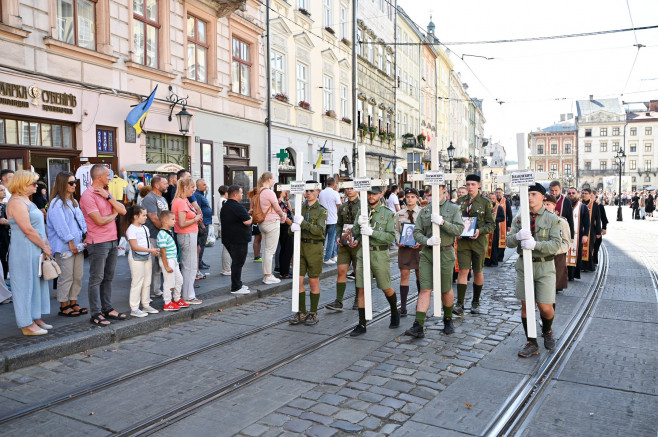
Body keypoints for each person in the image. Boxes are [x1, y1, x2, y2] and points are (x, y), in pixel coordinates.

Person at [506, 183, 562, 357]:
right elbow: (508, 242)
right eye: (527, 194)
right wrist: (517, 236)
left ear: (542, 196)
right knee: (526, 305)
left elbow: (556, 245)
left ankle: (547, 330)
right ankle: (531, 342)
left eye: (534, 194)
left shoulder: (552, 218)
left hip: (544, 266)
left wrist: (536, 244)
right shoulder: (520, 217)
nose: (530, 197)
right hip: (524, 265)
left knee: (545, 307)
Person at [405, 183, 464, 337]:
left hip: (445, 252)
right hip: (427, 253)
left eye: (438, 187)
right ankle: (418, 325)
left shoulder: (453, 208)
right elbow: (417, 232)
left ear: (444, 188)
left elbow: (459, 229)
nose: (434, 190)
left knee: (445, 288)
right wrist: (427, 240)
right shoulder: (425, 210)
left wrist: (443, 222)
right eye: (432, 187)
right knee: (425, 288)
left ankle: (448, 319)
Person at [80, 164, 127, 326]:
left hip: (112, 240)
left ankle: (107, 308)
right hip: (98, 242)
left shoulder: (106, 192)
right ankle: (96, 313)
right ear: (99, 176)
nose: (110, 177)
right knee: (96, 278)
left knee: (108, 277)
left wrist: (109, 198)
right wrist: (114, 213)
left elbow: (124, 211)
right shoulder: (87, 195)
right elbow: (99, 221)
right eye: (108, 175)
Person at [6, 170, 52, 335]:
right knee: (25, 285)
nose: (36, 186)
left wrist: (46, 243)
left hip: (34, 248)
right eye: (33, 183)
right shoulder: (16, 202)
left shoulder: (27, 200)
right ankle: (26, 323)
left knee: (36, 284)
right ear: (22, 184)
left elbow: (38, 227)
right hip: (24, 250)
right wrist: (44, 246)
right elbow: (27, 229)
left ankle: (34, 317)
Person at [349, 186, 399, 337]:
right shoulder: (362, 211)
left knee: (385, 286)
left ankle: (394, 311)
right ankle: (361, 323)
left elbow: (391, 237)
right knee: (362, 288)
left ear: (380, 194)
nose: (371, 196)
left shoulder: (388, 213)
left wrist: (373, 232)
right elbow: (356, 233)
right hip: (363, 253)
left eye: (374, 194)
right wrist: (357, 226)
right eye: (369, 193)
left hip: (379, 253)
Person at [47, 172, 87, 317]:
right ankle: (63, 305)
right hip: (65, 246)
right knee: (66, 276)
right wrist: (70, 241)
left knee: (78, 275)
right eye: (71, 183)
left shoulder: (73, 201)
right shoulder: (56, 203)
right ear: (63, 184)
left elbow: (81, 220)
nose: (74, 185)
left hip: (78, 245)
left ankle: (73, 302)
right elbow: (60, 225)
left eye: (75, 182)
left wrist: (85, 234)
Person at [455, 174, 495, 315]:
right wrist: (457, 230)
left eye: (473, 184)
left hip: (478, 241)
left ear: (479, 185)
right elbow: (456, 220)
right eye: (468, 184)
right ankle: (460, 303)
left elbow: (491, 224)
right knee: (463, 270)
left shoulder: (485, 202)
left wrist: (480, 230)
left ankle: (475, 302)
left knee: (478, 271)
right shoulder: (460, 201)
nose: (470, 187)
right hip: (463, 242)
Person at [289, 181, 327, 325]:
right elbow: (293, 230)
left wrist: (303, 223)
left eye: (311, 191)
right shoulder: (301, 208)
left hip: (314, 248)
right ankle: (302, 311)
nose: (308, 193)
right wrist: (291, 228)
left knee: (313, 282)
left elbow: (320, 230)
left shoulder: (322, 210)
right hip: (300, 247)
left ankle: (313, 312)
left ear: (317, 192)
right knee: (298, 281)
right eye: (307, 191)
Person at [326, 180, 360, 312]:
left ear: (357, 190)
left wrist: (357, 239)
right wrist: (339, 236)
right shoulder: (344, 206)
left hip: (358, 245)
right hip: (345, 244)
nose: (349, 190)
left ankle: (358, 299)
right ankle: (338, 301)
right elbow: (339, 224)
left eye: (352, 188)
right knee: (341, 271)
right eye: (347, 188)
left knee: (358, 273)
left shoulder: (363, 205)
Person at [121, 205, 160, 317]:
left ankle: (146, 304)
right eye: (143, 215)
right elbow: (134, 247)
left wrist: (152, 249)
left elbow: (148, 242)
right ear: (135, 216)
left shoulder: (144, 228)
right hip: (136, 259)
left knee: (147, 282)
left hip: (147, 257)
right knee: (137, 282)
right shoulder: (131, 229)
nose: (146, 217)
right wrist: (150, 250)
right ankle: (134, 308)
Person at [172, 178, 203, 305]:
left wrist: (196, 218)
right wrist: (195, 219)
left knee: (190, 265)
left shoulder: (184, 200)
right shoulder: (180, 202)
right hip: (186, 235)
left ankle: (188, 294)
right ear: (185, 187)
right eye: (192, 187)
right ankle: (188, 295)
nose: (194, 189)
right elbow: (182, 223)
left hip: (190, 234)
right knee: (189, 266)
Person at [255, 172, 287, 285]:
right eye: (273, 179)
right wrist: (283, 216)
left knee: (265, 250)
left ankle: (266, 274)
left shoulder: (259, 191)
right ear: (268, 179)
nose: (274, 181)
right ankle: (268, 276)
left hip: (262, 223)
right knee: (270, 251)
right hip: (272, 222)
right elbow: (277, 208)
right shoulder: (269, 192)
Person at [394, 188, 422, 317]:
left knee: (420, 275)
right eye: (408, 196)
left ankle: (421, 303)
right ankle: (403, 306)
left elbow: (426, 230)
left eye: (412, 196)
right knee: (404, 274)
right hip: (404, 248)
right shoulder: (399, 214)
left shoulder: (423, 213)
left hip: (419, 248)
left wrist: (421, 242)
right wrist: (398, 239)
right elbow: (396, 229)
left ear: (417, 198)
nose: (410, 199)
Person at [220, 185, 252, 294]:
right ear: (235, 194)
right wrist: (251, 217)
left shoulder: (226, 205)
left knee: (236, 262)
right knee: (238, 262)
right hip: (238, 239)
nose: (242, 195)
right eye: (241, 193)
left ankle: (238, 283)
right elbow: (247, 221)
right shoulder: (237, 206)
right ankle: (236, 287)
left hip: (229, 239)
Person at [142, 175, 169, 298]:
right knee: (152, 265)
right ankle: (149, 292)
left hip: (162, 235)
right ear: (157, 185)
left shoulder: (162, 198)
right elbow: (153, 217)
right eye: (165, 183)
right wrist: (165, 230)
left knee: (159, 265)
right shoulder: (149, 198)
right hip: (153, 235)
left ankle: (156, 290)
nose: (167, 185)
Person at [156, 210, 189, 311]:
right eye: (173, 219)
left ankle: (177, 298)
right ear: (165, 221)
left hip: (173, 260)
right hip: (168, 261)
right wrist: (166, 266)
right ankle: (167, 302)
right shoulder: (161, 234)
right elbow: (163, 252)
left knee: (179, 280)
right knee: (169, 282)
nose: (175, 221)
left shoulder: (168, 232)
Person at [543, 194, 570, 293]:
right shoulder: (535, 221)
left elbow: (566, 243)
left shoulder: (562, 222)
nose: (545, 207)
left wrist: (553, 249)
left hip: (556, 257)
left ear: (554, 206)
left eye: (548, 204)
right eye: (543, 204)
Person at [565, 187, 590, 281]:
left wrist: (585, 235)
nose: (571, 195)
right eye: (569, 193)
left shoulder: (582, 207)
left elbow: (587, 222)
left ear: (577, 194)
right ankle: (564, 274)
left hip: (578, 235)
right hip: (565, 235)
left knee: (576, 254)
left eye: (573, 193)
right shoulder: (565, 205)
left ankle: (572, 275)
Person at [318, 177, 341, 264]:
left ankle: (320, 256)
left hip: (323, 218)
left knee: (322, 239)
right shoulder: (335, 193)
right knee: (331, 240)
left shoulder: (321, 193)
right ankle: (327, 258)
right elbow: (339, 205)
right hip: (332, 218)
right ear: (334, 184)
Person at [194, 179, 213, 276]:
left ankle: (200, 261)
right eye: (204, 184)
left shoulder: (201, 194)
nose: (206, 186)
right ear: (198, 186)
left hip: (206, 221)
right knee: (201, 243)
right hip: (203, 222)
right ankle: (199, 262)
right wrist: (201, 224)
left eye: (206, 184)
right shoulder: (197, 195)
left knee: (202, 244)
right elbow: (198, 210)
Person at [580, 188, 601, 273]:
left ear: (590, 194)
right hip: (580, 229)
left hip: (591, 230)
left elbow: (598, 218)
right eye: (583, 193)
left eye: (586, 193)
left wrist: (599, 232)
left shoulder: (595, 205)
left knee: (589, 248)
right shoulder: (579, 203)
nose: (584, 195)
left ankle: (588, 266)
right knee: (580, 248)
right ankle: (581, 265)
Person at [276, 189, 294, 279]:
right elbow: (285, 216)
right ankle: (284, 272)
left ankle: (283, 271)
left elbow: (289, 211)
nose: (286, 191)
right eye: (283, 189)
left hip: (286, 226)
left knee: (285, 249)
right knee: (287, 249)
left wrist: (287, 199)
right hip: (285, 226)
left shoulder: (282, 202)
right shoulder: (278, 202)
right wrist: (292, 224)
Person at [484, 192, 505, 267]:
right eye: (490, 198)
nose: (491, 200)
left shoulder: (499, 207)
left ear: (495, 199)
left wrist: (495, 219)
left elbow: (502, 218)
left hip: (495, 230)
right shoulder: (485, 206)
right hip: (486, 229)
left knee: (494, 246)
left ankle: (494, 261)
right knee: (486, 246)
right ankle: (487, 261)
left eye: (493, 198)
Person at [216, 185, 231, 276]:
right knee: (227, 249)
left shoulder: (220, 201)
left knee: (226, 248)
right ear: (225, 193)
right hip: (226, 227)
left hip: (223, 226)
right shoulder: (224, 201)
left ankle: (225, 268)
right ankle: (226, 269)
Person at [495, 188, 513, 263]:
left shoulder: (505, 201)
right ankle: (495, 256)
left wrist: (509, 225)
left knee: (502, 240)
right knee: (495, 240)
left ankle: (501, 256)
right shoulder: (493, 200)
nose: (498, 194)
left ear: (502, 193)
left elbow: (509, 214)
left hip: (503, 224)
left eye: (499, 192)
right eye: (497, 193)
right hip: (495, 224)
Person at [247, 188, 262, 262]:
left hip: (256, 220)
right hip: (257, 220)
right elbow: (251, 210)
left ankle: (257, 256)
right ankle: (256, 256)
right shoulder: (255, 198)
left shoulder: (254, 198)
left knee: (258, 239)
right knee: (257, 239)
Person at [593, 198, 608, 265]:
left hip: (596, 229)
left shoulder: (599, 206)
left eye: (591, 195)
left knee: (596, 244)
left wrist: (604, 228)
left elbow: (604, 218)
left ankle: (594, 260)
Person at [0, 185, 10, 284]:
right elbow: (2, 221)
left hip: (6, 234)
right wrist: (15, 222)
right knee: (3, 257)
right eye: (1, 190)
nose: (4, 192)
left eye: (4, 190)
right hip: (2, 235)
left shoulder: (5, 204)